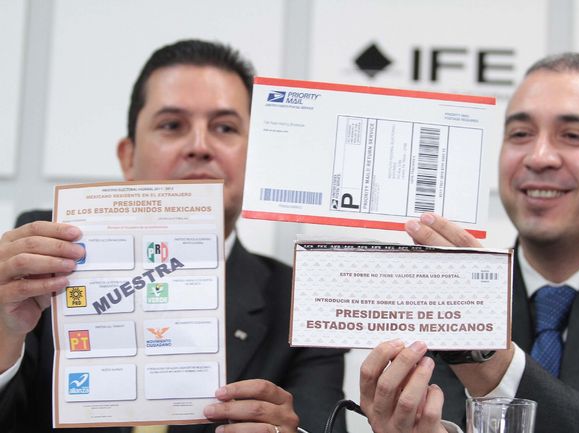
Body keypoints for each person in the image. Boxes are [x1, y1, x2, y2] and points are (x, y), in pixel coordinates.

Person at [0, 39, 346, 433]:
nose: (199, 146)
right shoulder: (43, 264)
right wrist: (3, 335)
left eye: (224, 128)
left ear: (257, 159)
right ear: (128, 157)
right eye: (172, 125)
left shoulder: (301, 302)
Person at [360, 52, 579, 433]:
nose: (539, 157)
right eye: (520, 134)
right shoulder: (451, 286)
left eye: (573, 136)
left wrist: (486, 355)